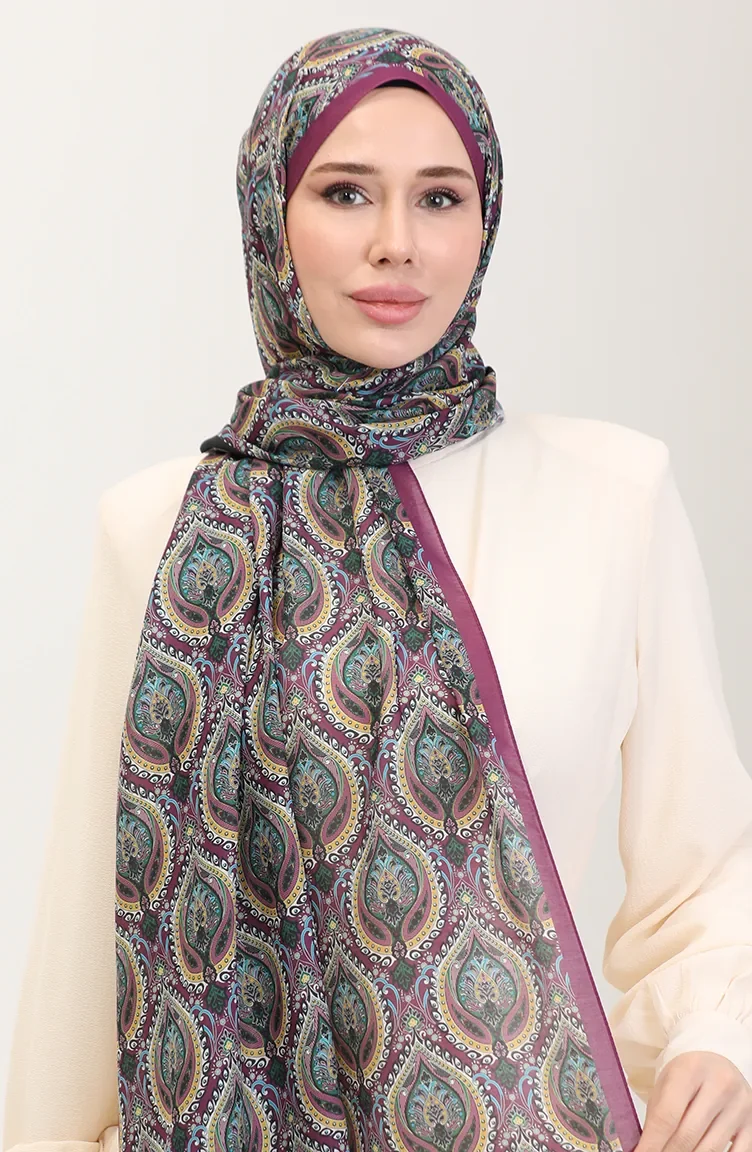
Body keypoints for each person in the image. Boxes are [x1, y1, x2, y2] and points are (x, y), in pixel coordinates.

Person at [4, 25, 752, 1152]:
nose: (396, 243)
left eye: (439, 198)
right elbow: (87, 936)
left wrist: (714, 1037)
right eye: (346, 192)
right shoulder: (160, 529)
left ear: (484, 224)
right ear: (271, 217)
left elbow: (705, 872)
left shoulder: (613, 494)